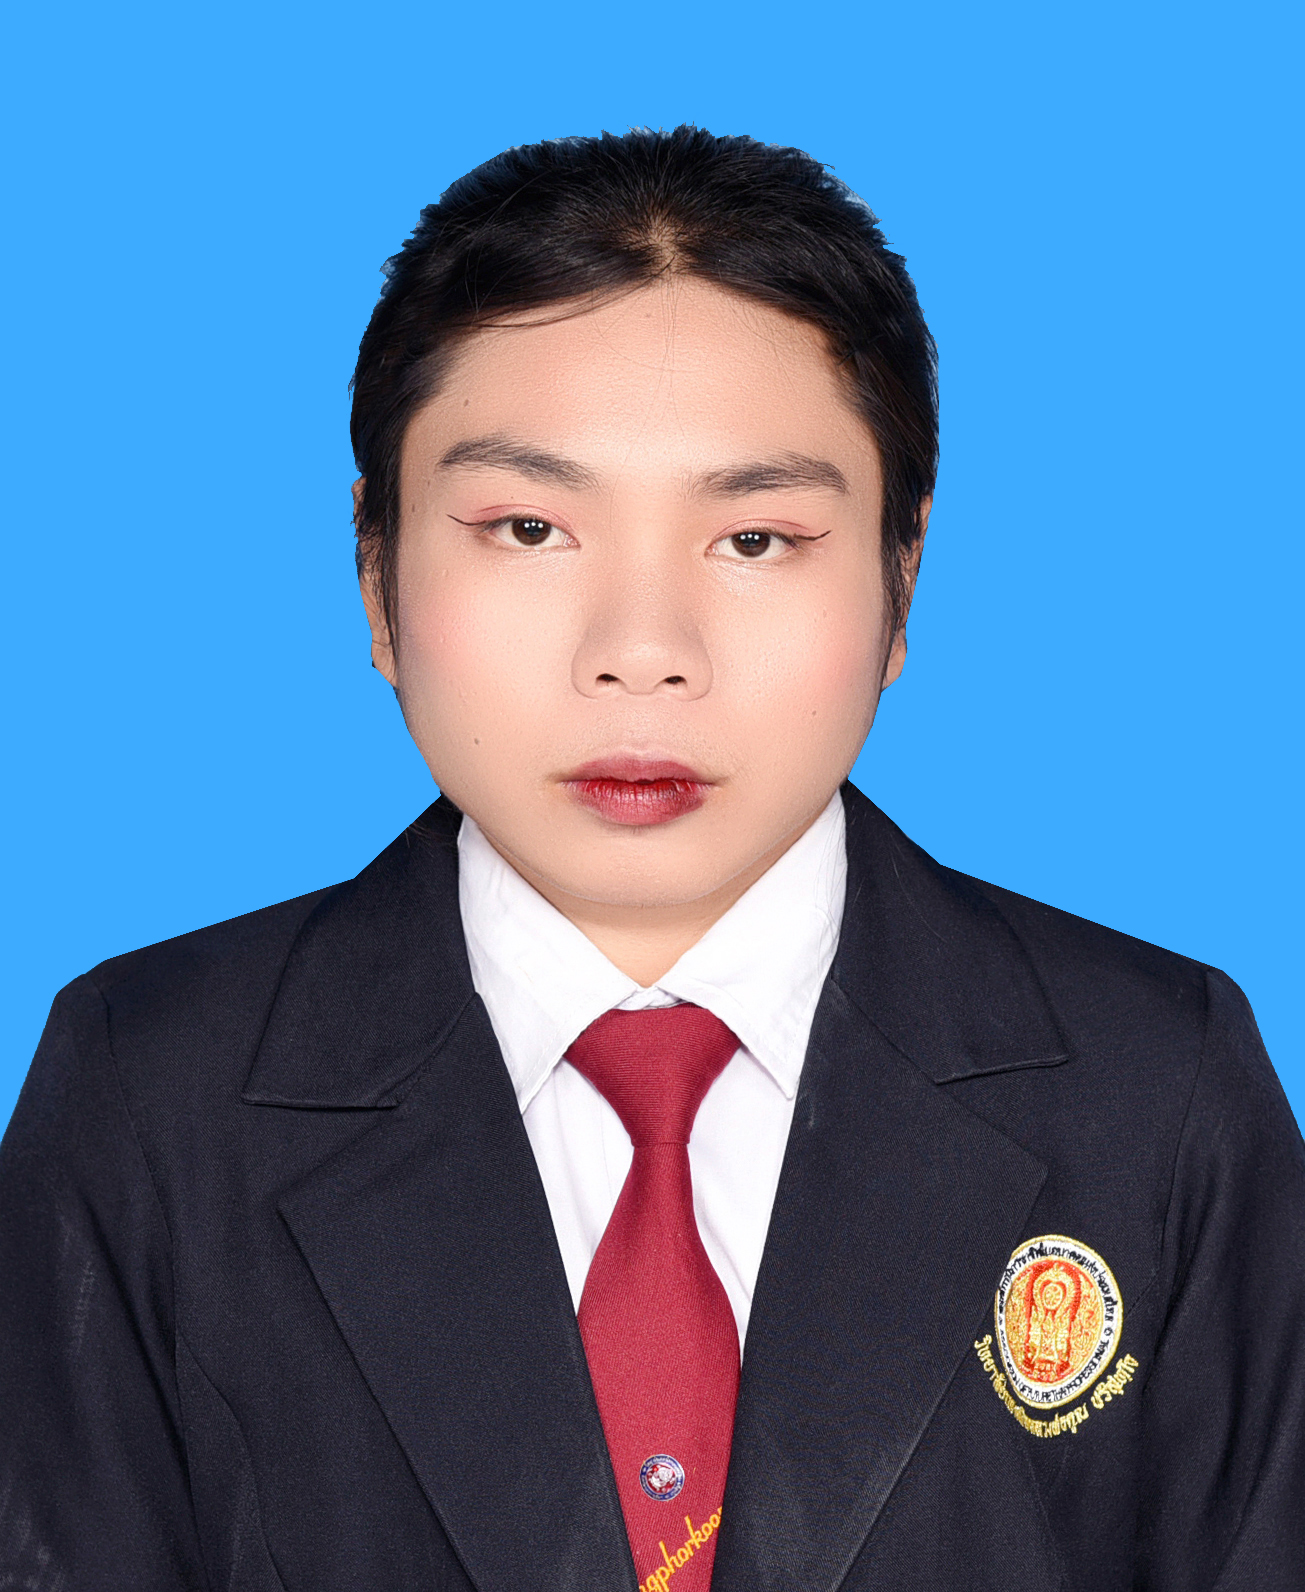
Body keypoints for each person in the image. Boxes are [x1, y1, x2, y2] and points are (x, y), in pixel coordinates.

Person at [1, 126, 1301, 1592]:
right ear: (375, 573)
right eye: (528, 527)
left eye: (754, 540)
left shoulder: (1157, 1080)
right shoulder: (148, 1088)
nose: (640, 652)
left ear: (900, 574)